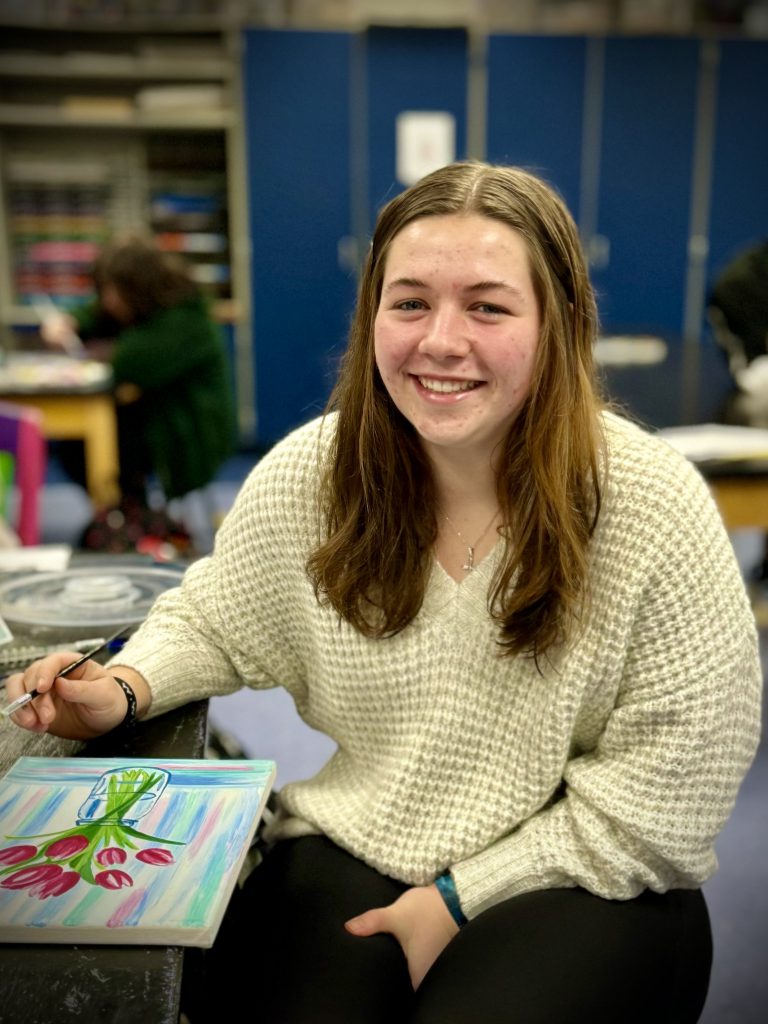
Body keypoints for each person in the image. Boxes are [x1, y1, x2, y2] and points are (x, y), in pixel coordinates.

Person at [7, 162, 762, 1024]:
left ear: (558, 323)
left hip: (585, 865)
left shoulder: (650, 503)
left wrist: (460, 895)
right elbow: (218, 616)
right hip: (362, 836)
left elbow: (675, 789)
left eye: (488, 306)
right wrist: (124, 686)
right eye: (409, 303)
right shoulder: (315, 475)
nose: (441, 340)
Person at [41, 234, 236, 505]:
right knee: (77, 444)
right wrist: (71, 321)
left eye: (114, 292)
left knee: (107, 443)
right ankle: (123, 511)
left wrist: (100, 349)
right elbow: (96, 315)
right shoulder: (146, 307)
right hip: (157, 416)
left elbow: (130, 361)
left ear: (139, 287)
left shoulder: (188, 316)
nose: (109, 302)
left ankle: (127, 512)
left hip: (188, 430)